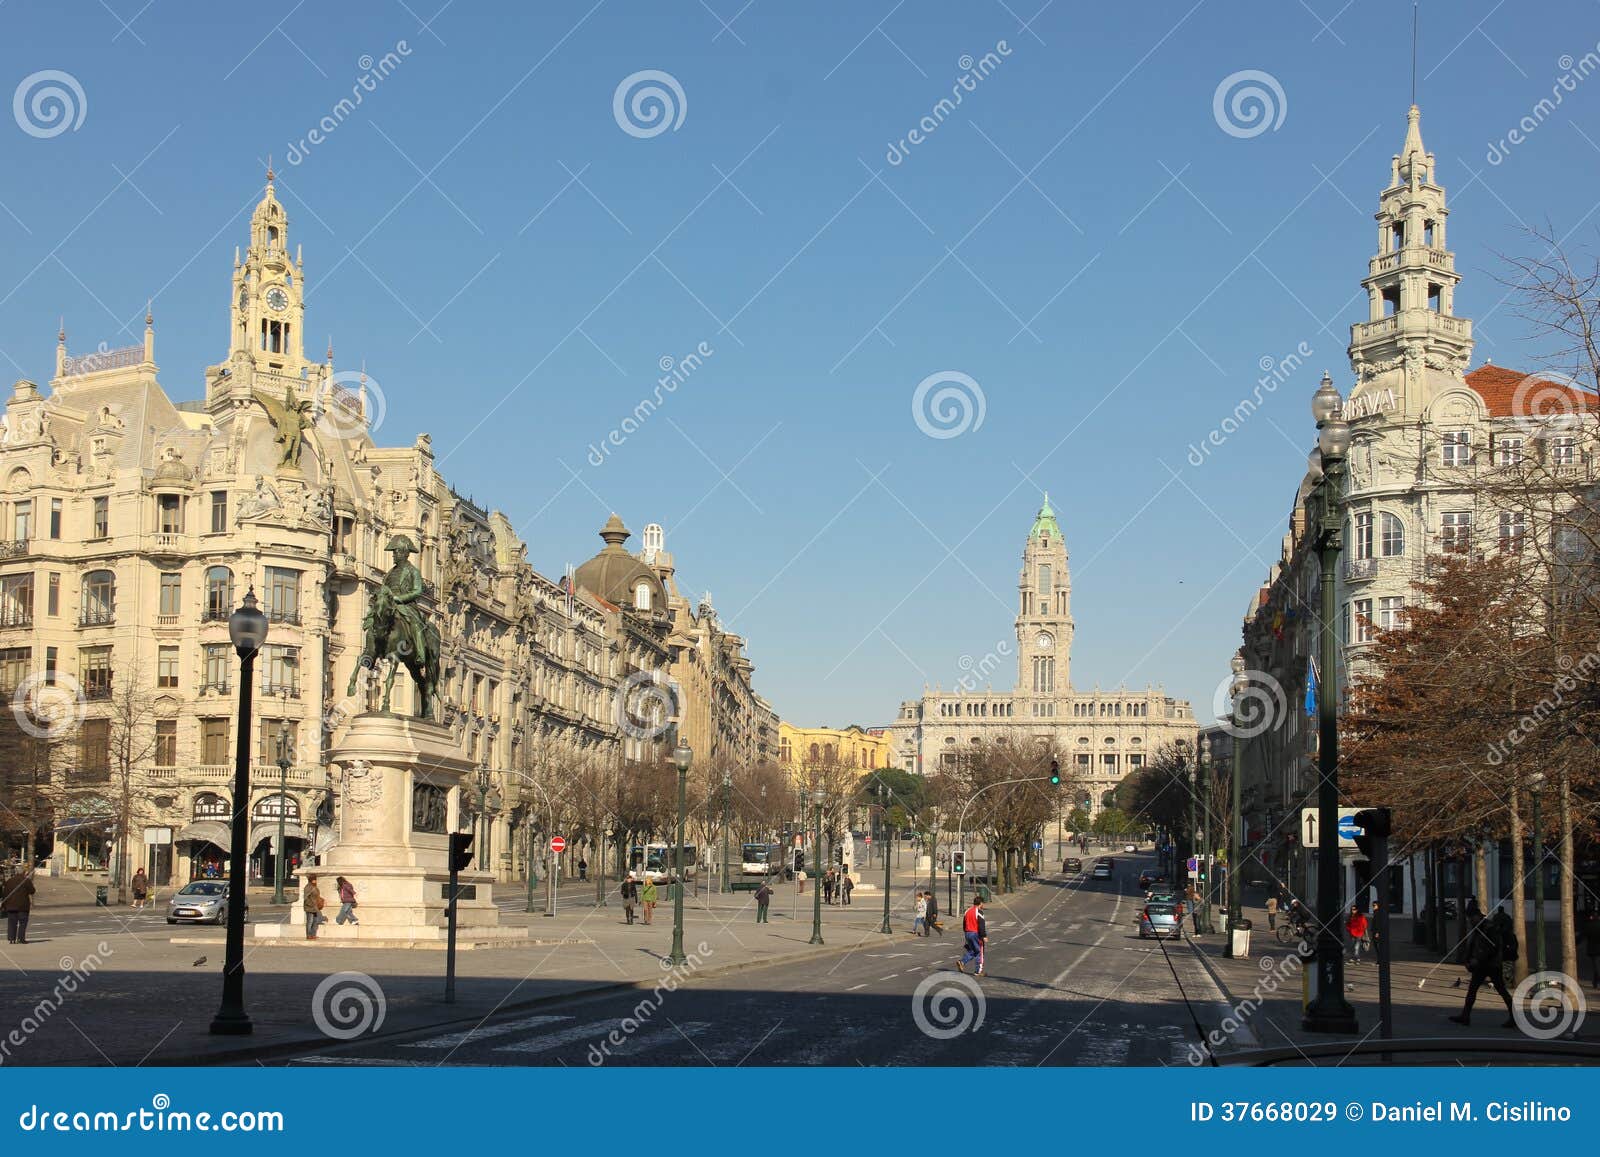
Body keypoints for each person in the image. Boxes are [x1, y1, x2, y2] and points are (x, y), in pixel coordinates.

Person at [1449, 906, 1516, 1028]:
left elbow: (1492, 948)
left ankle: (1514, 1018)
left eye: (1471, 918)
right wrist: (1468, 959)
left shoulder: (1489, 928)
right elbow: (1474, 944)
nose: (1470, 920)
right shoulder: (1479, 928)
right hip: (1482, 965)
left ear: (1477, 916)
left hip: (1492, 965)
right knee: (1472, 989)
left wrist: (1477, 960)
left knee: (1501, 990)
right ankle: (1465, 1016)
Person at [957, 896, 988, 976]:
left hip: (967, 933)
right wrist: (984, 936)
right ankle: (978, 971)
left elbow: (964, 923)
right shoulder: (979, 912)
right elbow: (981, 925)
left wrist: (966, 932)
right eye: (982, 903)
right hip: (975, 934)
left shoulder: (967, 911)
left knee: (973, 950)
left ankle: (962, 962)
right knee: (979, 952)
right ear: (980, 903)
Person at [3, 869, 35, 944]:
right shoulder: (26, 880)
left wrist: (4, 905)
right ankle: (21, 938)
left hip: (11, 906)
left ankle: (11, 939)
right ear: (24, 873)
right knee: (22, 922)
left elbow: (5, 893)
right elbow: (32, 891)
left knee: (11, 922)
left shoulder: (9, 881)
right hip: (23, 906)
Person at [302, 875, 326, 939]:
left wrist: (321, 900)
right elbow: (306, 898)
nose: (316, 881)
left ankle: (313, 934)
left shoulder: (314, 887)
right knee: (310, 921)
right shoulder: (308, 887)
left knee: (315, 922)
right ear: (311, 880)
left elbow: (316, 896)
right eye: (315, 879)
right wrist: (311, 904)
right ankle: (309, 935)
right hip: (309, 907)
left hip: (315, 907)